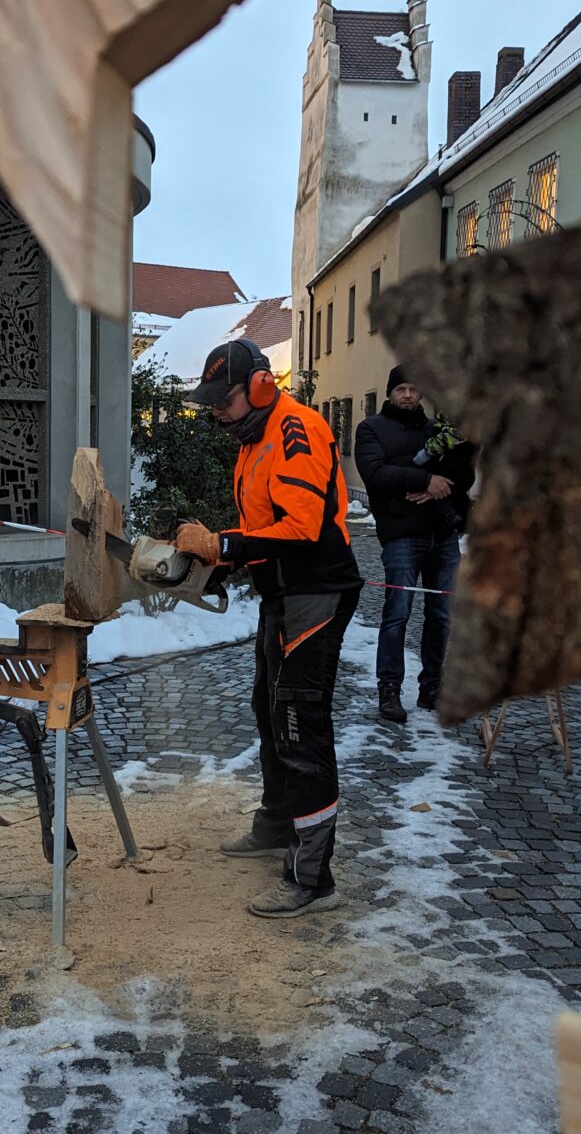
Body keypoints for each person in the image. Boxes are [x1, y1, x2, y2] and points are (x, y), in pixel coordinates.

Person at [175, 338, 363, 919]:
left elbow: (302, 528)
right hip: (282, 592)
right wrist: (223, 556)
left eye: (222, 400)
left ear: (259, 386)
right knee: (268, 708)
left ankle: (312, 878)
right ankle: (278, 822)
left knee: (299, 726)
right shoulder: (253, 439)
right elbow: (265, 525)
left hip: (315, 591)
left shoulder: (295, 431)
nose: (215, 412)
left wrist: (224, 543)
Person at [354, 365, 475, 724]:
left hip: (443, 534)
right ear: (390, 392)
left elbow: (462, 474)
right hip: (402, 534)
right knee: (397, 613)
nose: (408, 395)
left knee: (441, 615)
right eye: (401, 389)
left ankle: (432, 687)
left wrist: (442, 485)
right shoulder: (370, 429)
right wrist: (425, 480)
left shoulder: (435, 429)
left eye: (414, 389)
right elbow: (375, 474)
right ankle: (389, 690)